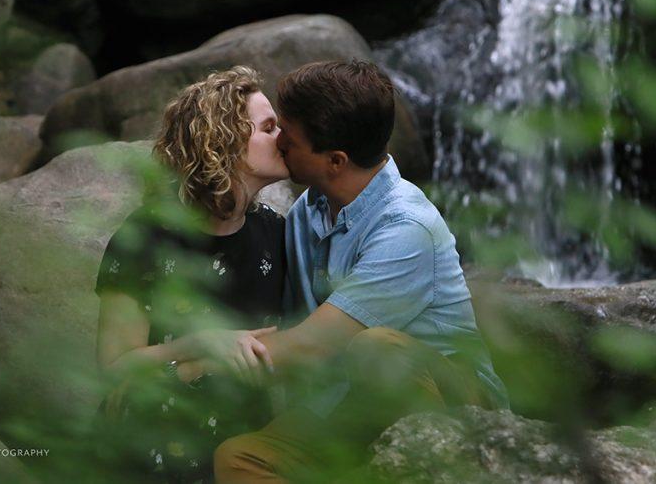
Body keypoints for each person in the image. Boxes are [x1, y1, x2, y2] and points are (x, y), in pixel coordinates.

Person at [213, 60, 508, 483]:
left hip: (454, 404)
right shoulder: (305, 213)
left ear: (335, 160)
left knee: (376, 349)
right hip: (348, 404)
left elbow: (312, 346)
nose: (278, 144)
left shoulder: (408, 228)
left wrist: (183, 366)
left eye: (290, 139)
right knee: (240, 459)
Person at [94, 66, 290, 483]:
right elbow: (115, 368)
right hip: (153, 445)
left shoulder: (277, 232)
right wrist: (200, 345)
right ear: (223, 141)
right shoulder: (144, 237)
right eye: (269, 127)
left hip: (243, 450)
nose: (284, 137)